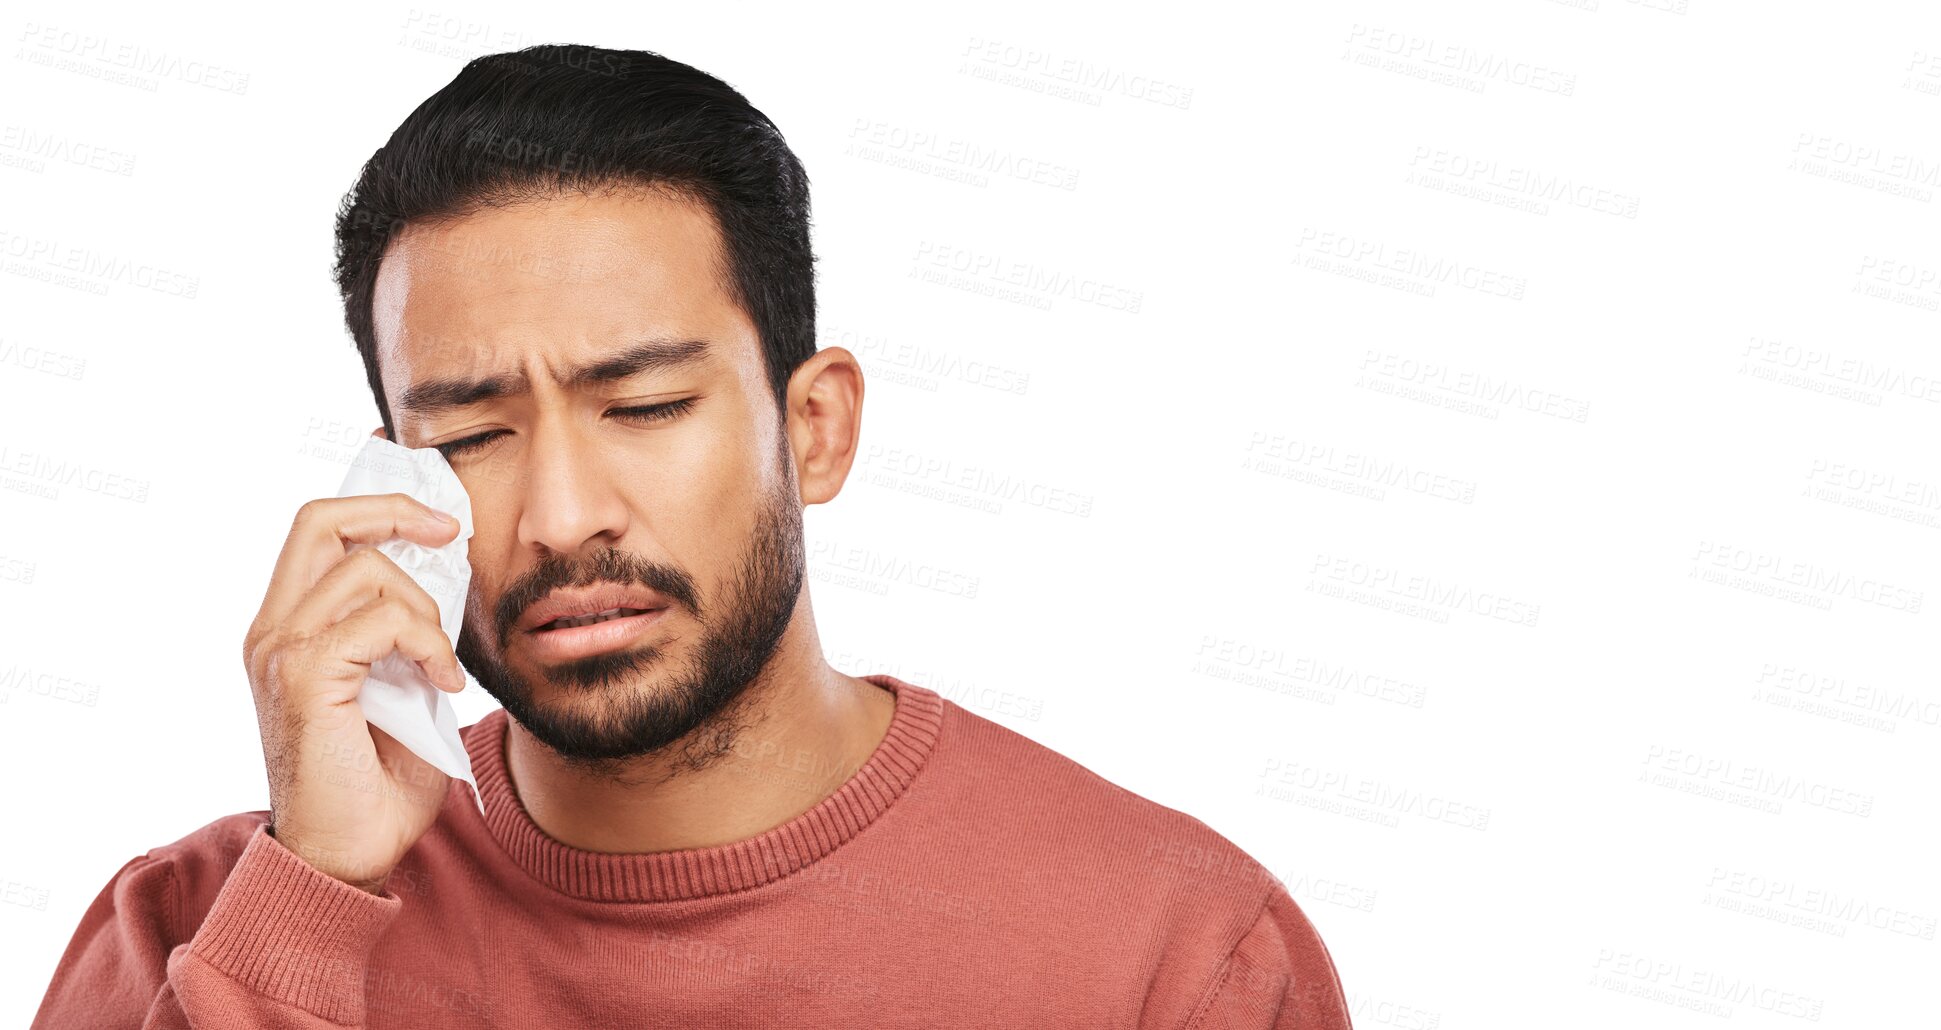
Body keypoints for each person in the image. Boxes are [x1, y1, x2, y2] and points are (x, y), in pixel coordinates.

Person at [31, 44, 1352, 1029]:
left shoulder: (1171, 954)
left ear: (816, 426)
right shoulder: (194, 939)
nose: (559, 516)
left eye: (646, 403)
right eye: (473, 432)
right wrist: (308, 901)